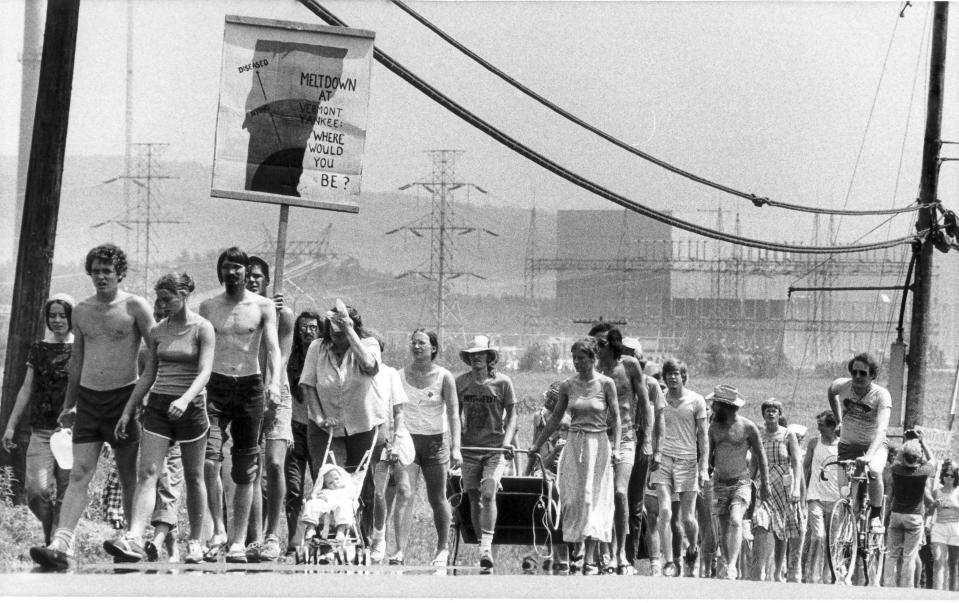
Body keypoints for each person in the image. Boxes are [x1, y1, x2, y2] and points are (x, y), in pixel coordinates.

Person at [28, 244, 154, 569]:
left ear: (119, 274)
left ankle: (131, 540)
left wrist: (142, 398)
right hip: (89, 401)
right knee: (80, 473)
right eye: (96, 271)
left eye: (107, 271)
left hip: (124, 399)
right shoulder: (81, 311)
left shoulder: (136, 306)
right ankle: (62, 544)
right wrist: (70, 404)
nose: (100, 276)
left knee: (129, 475)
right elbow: (77, 360)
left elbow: (155, 354)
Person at [103, 272, 214, 564]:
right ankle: (134, 537)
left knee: (193, 476)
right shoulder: (158, 331)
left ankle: (194, 541)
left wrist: (185, 398)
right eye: (159, 300)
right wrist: (128, 409)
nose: (162, 305)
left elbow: (205, 371)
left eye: (167, 299)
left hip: (190, 407)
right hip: (159, 406)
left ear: (184, 295)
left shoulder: (203, 329)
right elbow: (149, 373)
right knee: (148, 473)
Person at [200, 247, 282, 563]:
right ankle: (219, 529)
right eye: (226, 267)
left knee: (246, 469)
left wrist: (274, 384)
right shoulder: (208, 306)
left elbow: (273, 349)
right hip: (216, 387)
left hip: (250, 386)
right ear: (220, 271)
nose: (232, 273)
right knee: (209, 459)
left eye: (237, 267)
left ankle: (238, 541)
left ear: (246, 272)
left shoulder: (262, 306)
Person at [527, 337, 619, 575]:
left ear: (592, 358)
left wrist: (616, 447)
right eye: (574, 358)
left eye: (581, 358)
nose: (577, 362)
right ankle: (574, 548)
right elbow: (556, 418)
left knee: (592, 499)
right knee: (571, 500)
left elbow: (616, 419)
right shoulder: (568, 385)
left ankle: (588, 557)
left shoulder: (606, 384)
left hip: (598, 443)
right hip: (575, 443)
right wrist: (537, 444)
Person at [2, 294, 75, 545]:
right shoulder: (39, 348)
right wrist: (11, 426)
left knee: (67, 492)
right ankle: (51, 533)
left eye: (62, 315)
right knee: (36, 491)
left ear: (71, 317)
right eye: (52, 315)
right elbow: (26, 388)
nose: (57, 320)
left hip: (71, 432)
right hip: (41, 430)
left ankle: (57, 544)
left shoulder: (81, 348)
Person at [391, 329, 460, 566]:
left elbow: (453, 414)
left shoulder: (445, 376)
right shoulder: (399, 375)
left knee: (437, 497)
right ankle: (399, 550)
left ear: (433, 348)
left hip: (435, 442)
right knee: (404, 493)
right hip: (408, 441)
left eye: (422, 343)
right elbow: (393, 411)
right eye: (414, 343)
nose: (417, 347)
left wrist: (455, 447)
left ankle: (442, 548)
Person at [243, 256, 294, 562]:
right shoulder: (242, 313)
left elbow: (282, 355)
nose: (252, 280)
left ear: (267, 281)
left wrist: (272, 385)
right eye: (248, 275)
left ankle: (273, 534)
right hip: (247, 390)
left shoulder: (283, 315)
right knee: (250, 465)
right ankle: (254, 537)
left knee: (274, 463)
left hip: (277, 390)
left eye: (258, 276)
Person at [589, 325, 651, 575]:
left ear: (613, 343)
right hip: (599, 436)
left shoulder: (629, 365)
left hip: (626, 436)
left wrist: (646, 439)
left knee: (619, 492)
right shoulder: (592, 369)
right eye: (594, 343)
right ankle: (604, 553)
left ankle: (621, 553)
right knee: (599, 494)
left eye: (601, 343)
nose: (597, 348)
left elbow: (645, 403)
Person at [299, 302, 383, 475]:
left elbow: (370, 366)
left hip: (362, 426)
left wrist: (349, 331)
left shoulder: (369, 344)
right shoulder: (317, 347)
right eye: (332, 326)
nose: (336, 332)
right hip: (325, 426)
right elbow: (308, 385)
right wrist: (320, 419)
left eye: (341, 328)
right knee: (328, 479)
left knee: (359, 481)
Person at [457, 335, 518, 570]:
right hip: (469, 448)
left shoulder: (503, 382)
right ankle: (481, 545)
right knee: (473, 496)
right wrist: (455, 444)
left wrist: (507, 441)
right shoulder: (460, 382)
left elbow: (512, 414)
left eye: (480, 354)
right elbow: (454, 414)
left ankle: (486, 547)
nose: (476, 359)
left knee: (488, 490)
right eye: (472, 355)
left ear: (489, 357)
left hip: (494, 448)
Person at [648, 358, 708, 577]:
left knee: (687, 519)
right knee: (664, 511)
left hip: (688, 461)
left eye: (677, 373)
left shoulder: (696, 401)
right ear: (664, 377)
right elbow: (654, 431)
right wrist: (652, 456)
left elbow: (703, 436)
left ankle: (692, 548)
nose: (673, 377)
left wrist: (703, 467)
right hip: (663, 460)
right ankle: (669, 561)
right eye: (669, 373)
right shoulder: (659, 401)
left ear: (684, 376)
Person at [706, 384, 770, 581]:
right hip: (719, 483)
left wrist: (765, 484)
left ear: (726, 406)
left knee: (736, 519)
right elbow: (709, 455)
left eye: (716, 404)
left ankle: (732, 566)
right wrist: (704, 473)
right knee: (724, 526)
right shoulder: (714, 427)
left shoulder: (747, 427)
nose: (712, 407)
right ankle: (727, 562)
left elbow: (761, 456)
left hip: (741, 482)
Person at [826, 352, 891, 534]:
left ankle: (876, 516)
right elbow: (831, 392)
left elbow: (882, 429)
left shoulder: (881, 395)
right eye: (854, 372)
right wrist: (839, 419)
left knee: (875, 471)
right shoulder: (842, 386)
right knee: (846, 495)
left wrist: (869, 455)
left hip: (874, 447)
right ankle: (850, 534)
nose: (857, 377)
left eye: (863, 373)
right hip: (848, 447)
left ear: (872, 375)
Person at [620, 337, 667, 571]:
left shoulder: (651, 385)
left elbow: (659, 419)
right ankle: (613, 555)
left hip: (640, 445)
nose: (626, 357)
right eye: (622, 353)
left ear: (639, 358)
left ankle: (630, 557)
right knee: (617, 499)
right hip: (619, 441)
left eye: (630, 353)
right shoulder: (614, 381)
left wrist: (657, 450)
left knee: (636, 504)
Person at [751, 399, 802, 582]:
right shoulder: (758, 435)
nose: (771, 414)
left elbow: (796, 463)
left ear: (779, 414)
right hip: (763, 482)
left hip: (783, 483)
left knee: (782, 530)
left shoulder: (788, 435)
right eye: (768, 411)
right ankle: (760, 567)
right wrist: (749, 484)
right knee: (760, 522)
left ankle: (778, 570)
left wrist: (796, 488)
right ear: (763, 414)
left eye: (774, 410)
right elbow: (754, 462)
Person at [367, 333, 408, 564]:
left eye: (375, 348)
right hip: (360, 438)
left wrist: (396, 439)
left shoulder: (390, 374)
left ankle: (379, 538)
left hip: (384, 441)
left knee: (380, 492)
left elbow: (398, 411)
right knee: (360, 492)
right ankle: (360, 537)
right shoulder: (356, 372)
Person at [284, 310, 321, 555]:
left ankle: (318, 537)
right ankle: (294, 540)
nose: (308, 331)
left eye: (313, 327)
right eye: (303, 327)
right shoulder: (291, 357)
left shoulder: (324, 355)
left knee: (322, 485)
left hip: (319, 429)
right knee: (294, 487)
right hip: (296, 426)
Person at [884, 438, 935, 587]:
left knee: (892, 554)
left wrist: (905, 445)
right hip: (915, 516)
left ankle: (888, 585)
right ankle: (907, 587)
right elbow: (932, 459)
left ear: (903, 455)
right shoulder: (922, 472)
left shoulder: (896, 470)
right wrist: (923, 441)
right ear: (918, 457)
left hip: (896, 514)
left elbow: (898, 458)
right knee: (909, 556)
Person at [801, 410, 840, 584]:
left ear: (832, 427)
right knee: (818, 536)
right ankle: (810, 573)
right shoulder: (813, 443)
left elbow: (846, 472)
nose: (819, 428)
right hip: (815, 497)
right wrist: (802, 492)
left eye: (822, 425)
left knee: (832, 540)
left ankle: (827, 573)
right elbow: (805, 468)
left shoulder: (842, 447)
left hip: (835, 499)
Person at [297, 464, 358, 547]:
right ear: (325, 485)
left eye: (337, 479)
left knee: (344, 505)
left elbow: (352, 496)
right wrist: (320, 497)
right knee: (311, 504)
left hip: (340, 507)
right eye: (330, 482)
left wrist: (348, 494)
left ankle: (341, 531)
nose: (335, 483)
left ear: (342, 478)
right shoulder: (326, 491)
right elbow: (318, 497)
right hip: (326, 508)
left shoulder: (347, 489)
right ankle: (310, 528)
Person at [930, 460, 959, 591]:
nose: (949, 477)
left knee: (954, 564)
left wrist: (954, 505)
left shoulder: (958, 491)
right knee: (938, 561)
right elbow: (932, 510)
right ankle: (938, 592)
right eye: (946, 474)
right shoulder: (937, 491)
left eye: (952, 475)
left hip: (955, 528)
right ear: (943, 475)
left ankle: (953, 593)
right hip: (939, 527)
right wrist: (934, 505)